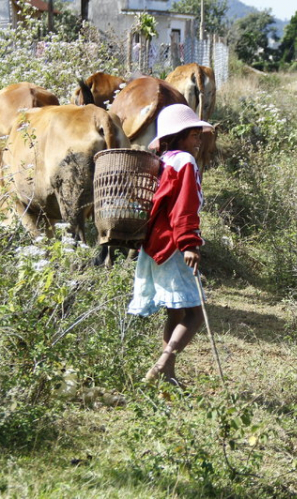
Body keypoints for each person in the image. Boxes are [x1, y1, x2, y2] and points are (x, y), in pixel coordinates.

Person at [128, 104, 212, 386]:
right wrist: (189, 243)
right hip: (175, 243)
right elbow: (183, 205)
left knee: (176, 310)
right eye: (194, 135)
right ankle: (161, 365)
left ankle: (169, 375)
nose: (198, 141)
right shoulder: (185, 160)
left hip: (154, 245)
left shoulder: (162, 160)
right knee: (196, 312)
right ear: (179, 136)